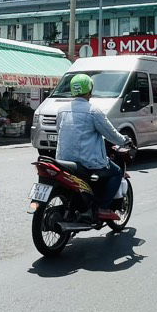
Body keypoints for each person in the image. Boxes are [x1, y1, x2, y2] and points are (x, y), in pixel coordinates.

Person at [55, 72, 130, 222]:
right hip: (87, 162)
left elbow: (59, 130)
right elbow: (111, 134)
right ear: (90, 90)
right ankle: (102, 207)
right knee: (116, 172)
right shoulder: (93, 111)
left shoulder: (61, 110)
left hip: (63, 160)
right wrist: (124, 140)